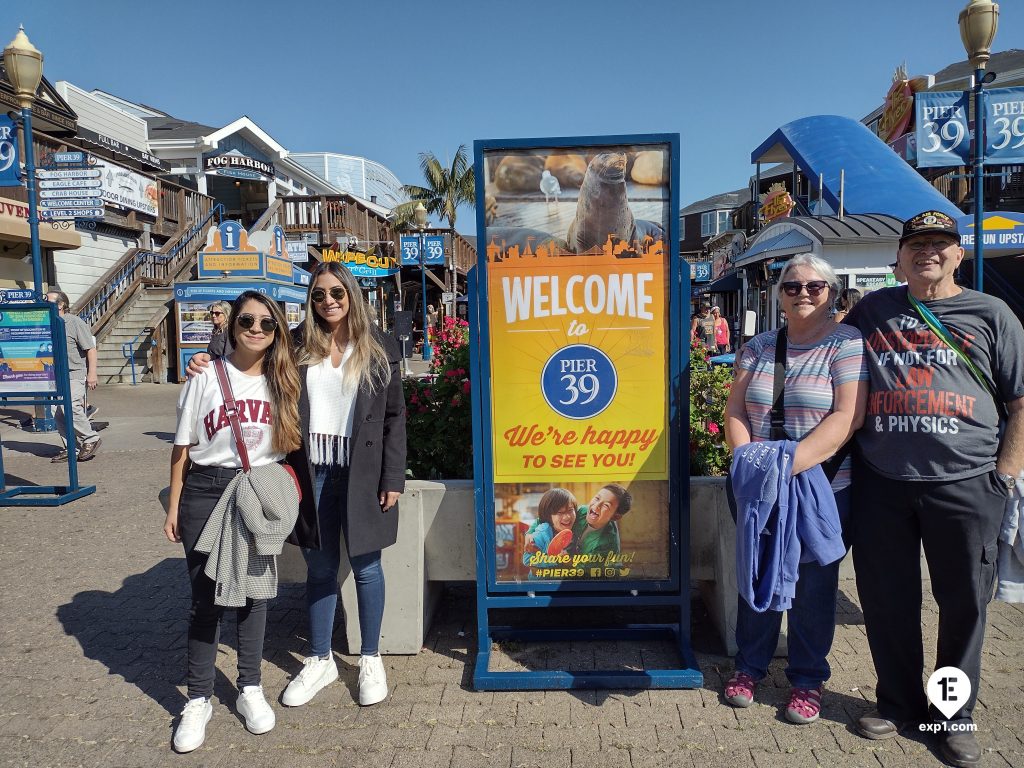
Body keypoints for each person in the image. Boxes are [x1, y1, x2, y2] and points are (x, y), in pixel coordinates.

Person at [844, 210, 1024, 766]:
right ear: (898, 257)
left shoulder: (991, 313)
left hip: (968, 483)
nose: (929, 252)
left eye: (940, 243)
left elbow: (1020, 400)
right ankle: (897, 701)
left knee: (964, 603)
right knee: (887, 599)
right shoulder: (872, 311)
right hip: (884, 482)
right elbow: (830, 360)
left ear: (959, 254)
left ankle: (950, 715)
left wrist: (1006, 474)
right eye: (916, 243)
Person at [186, 266, 407, 709]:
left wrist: (393, 477)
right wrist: (207, 359)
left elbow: (394, 417)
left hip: (362, 472)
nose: (329, 300)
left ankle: (369, 658)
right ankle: (321, 658)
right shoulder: (297, 341)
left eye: (337, 291)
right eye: (320, 293)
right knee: (321, 569)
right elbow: (248, 354)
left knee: (366, 567)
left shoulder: (380, 345)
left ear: (351, 293)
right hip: (312, 472)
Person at [722, 253, 869, 725]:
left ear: (832, 293)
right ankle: (749, 666)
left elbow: (848, 417)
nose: (803, 293)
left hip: (823, 486)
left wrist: (784, 468)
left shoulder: (846, 344)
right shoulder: (759, 346)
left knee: (812, 588)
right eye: (792, 286)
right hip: (758, 484)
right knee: (757, 573)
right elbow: (737, 411)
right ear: (778, 294)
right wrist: (749, 465)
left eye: (814, 286)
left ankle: (807, 678)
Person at [163, 291, 302, 753]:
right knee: (207, 599)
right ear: (231, 325)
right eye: (247, 320)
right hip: (206, 490)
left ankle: (249, 687)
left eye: (267, 322)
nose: (257, 329)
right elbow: (182, 448)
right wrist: (173, 507)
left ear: (278, 328)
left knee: (254, 598)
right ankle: (199, 698)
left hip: (257, 491)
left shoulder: (284, 380)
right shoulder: (205, 376)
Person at [45, 290, 101, 463]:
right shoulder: (47, 322)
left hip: (74, 373)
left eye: (49, 300)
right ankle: (72, 448)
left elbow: (90, 349)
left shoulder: (74, 322)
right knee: (57, 412)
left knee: (70, 406)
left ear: (61, 305)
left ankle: (90, 438)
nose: (45, 303)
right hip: (55, 375)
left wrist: (92, 373)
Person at [568, 484, 632, 557]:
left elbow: (583, 566)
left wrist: (563, 557)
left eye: (606, 505)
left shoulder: (608, 544)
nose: (597, 505)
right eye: (597, 498)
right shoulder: (582, 511)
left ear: (615, 517)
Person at [523, 488, 578, 568]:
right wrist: (554, 560)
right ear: (548, 515)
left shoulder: (577, 525)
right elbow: (527, 559)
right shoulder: (542, 533)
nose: (567, 517)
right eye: (560, 512)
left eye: (570, 510)